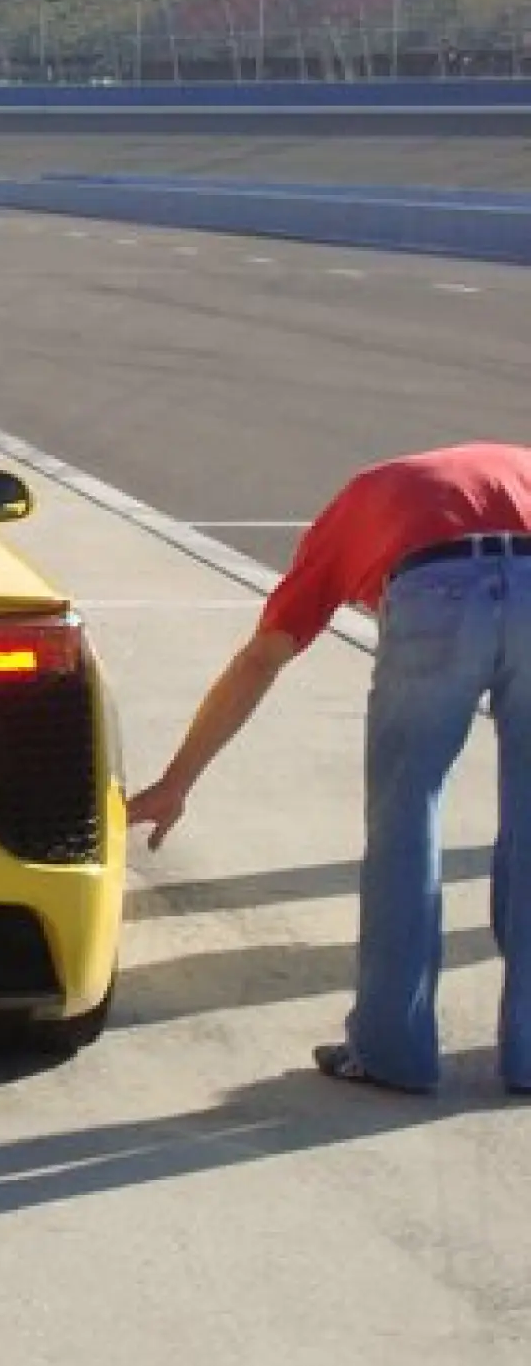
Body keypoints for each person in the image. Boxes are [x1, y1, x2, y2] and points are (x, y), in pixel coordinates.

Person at [125, 443, 531, 1095]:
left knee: (408, 813)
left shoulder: (357, 506)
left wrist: (177, 781)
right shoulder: (520, 466)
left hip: (435, 589)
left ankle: (392, 1049)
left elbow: (263, 658)